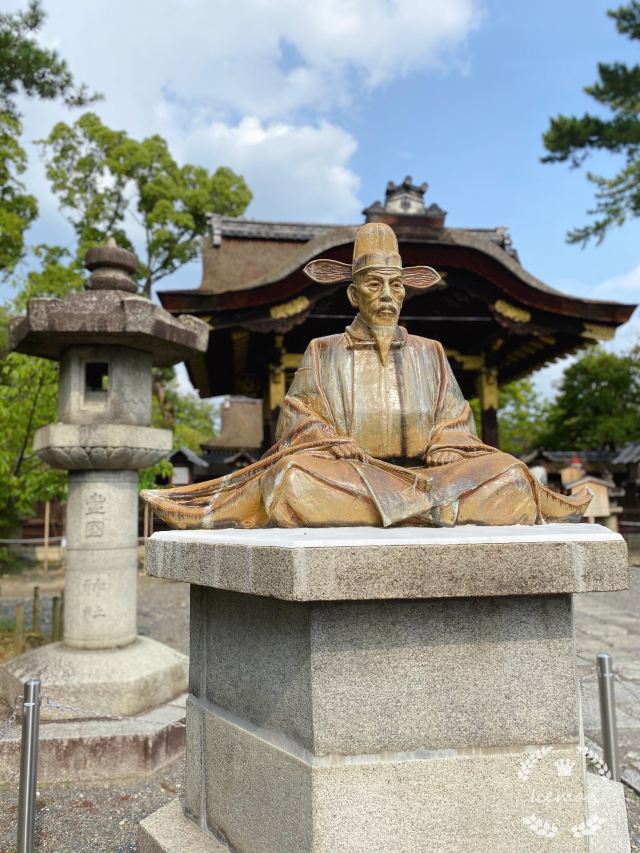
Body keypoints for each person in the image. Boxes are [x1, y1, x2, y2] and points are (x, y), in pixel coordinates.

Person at [142, 223, 590, 529]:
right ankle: (434, 513)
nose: (388, 296)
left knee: (509, 473)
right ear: (355, 294)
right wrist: (329, 440)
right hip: (353, 477)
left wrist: (444, 444)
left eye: (397, 286)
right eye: (375, 285)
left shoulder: (430, 353)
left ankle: (412, 508)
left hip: (431, 478)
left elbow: (455, 418)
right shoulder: (323, 352)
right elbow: (299, 416)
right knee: (293, 478)